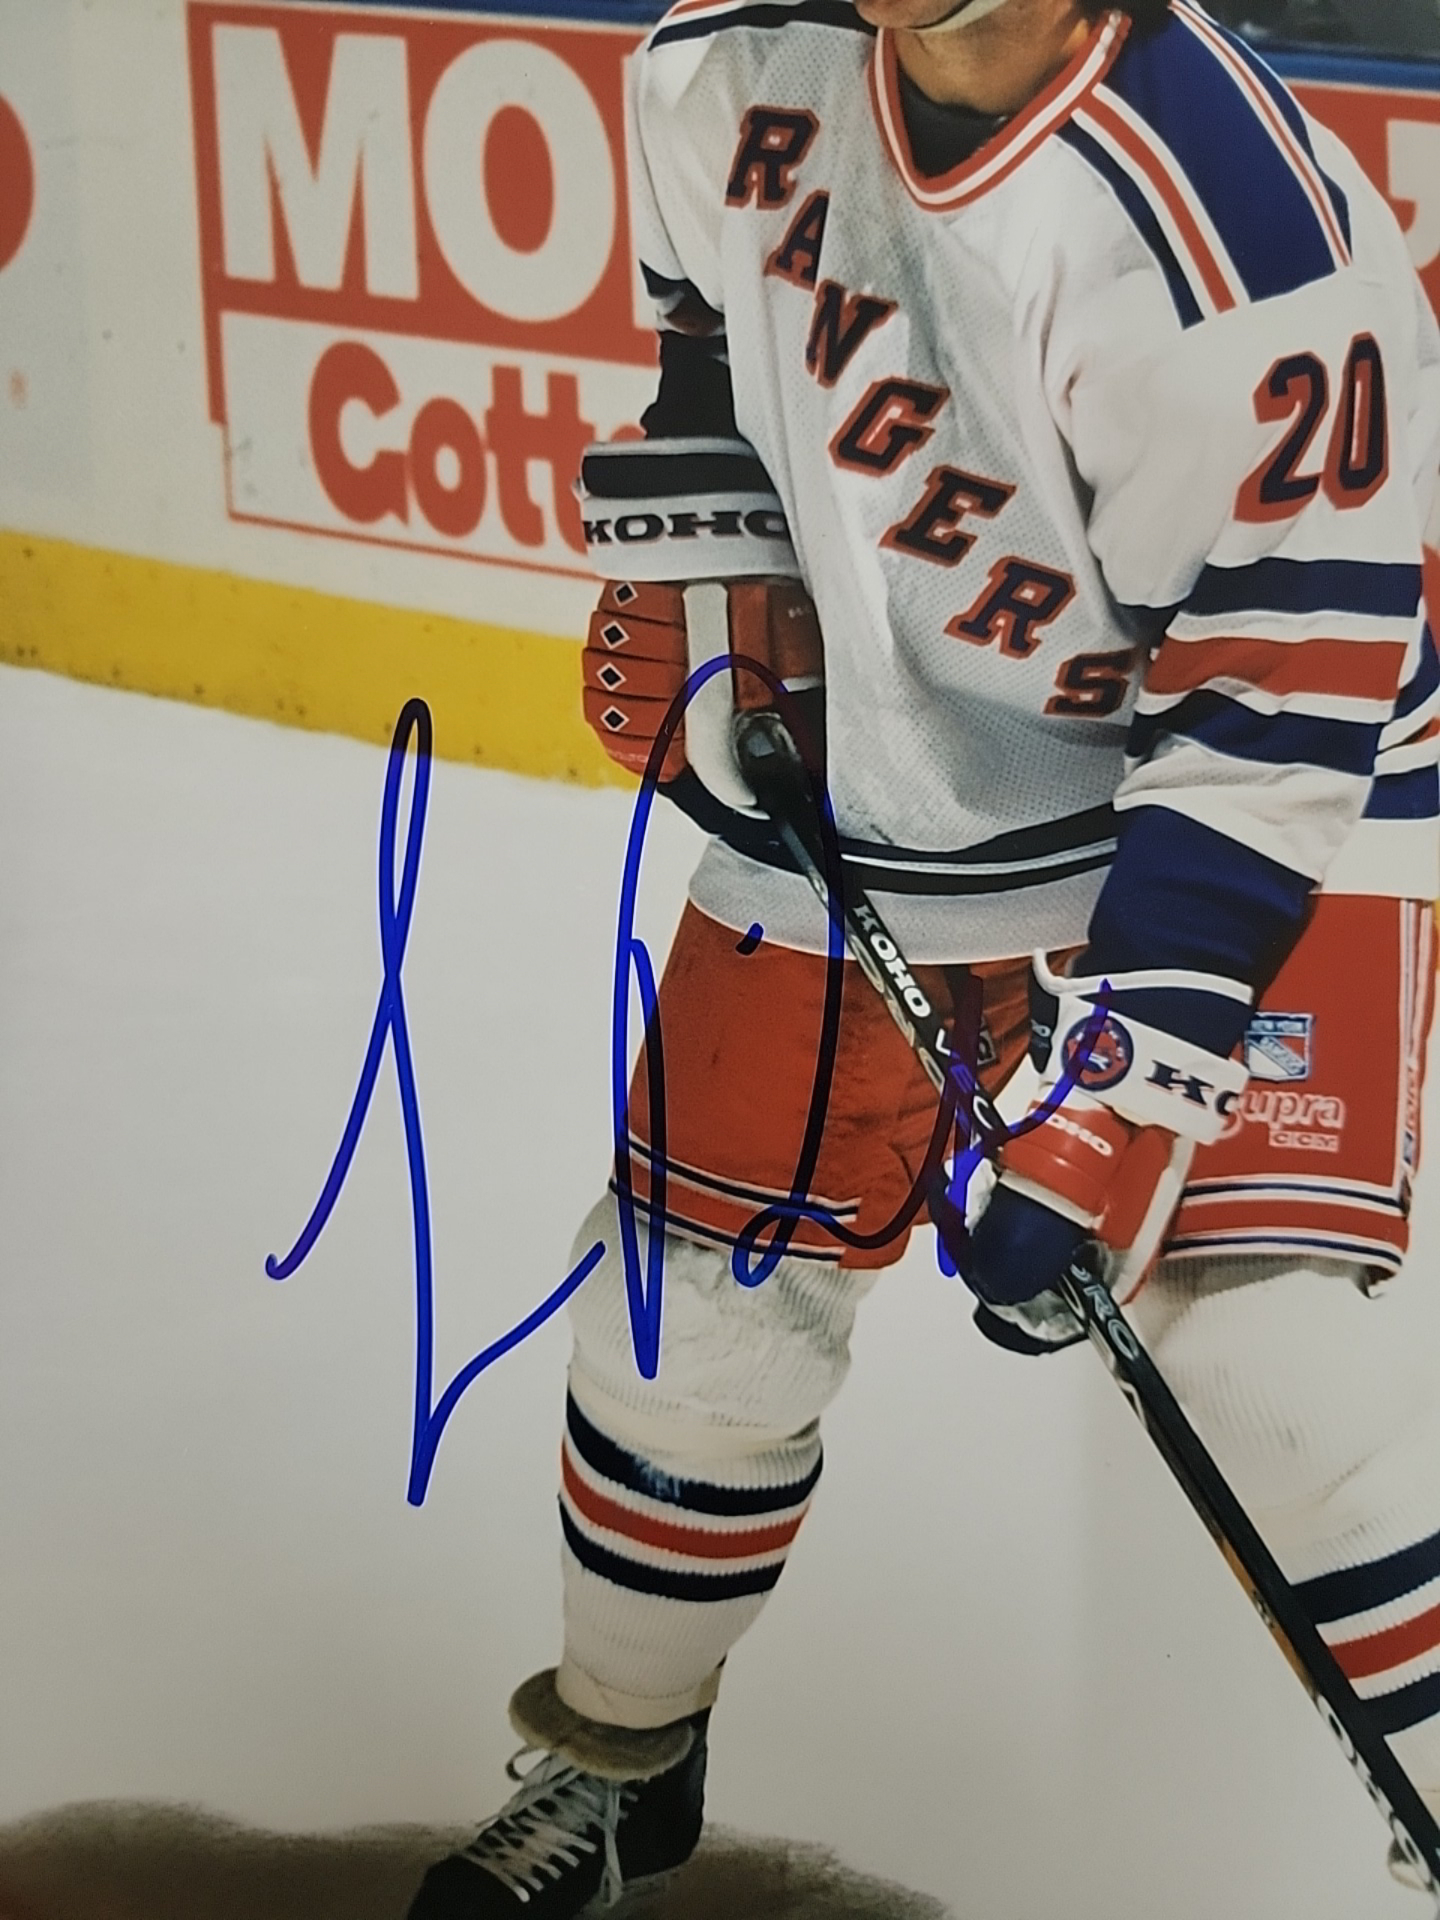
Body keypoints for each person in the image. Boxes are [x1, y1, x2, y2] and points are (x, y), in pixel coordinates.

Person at [406, 0, 1440, 1911]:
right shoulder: (720, 61)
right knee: (687, 1309)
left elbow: (1280, 691)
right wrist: (716, 566)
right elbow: (703, 327)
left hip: (1263, 784)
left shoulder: (1235, 238)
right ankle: (616, 1762)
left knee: (1274, 1366)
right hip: (896, 754)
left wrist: (1121, 1089)